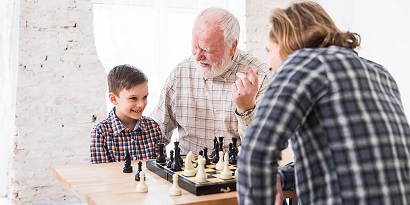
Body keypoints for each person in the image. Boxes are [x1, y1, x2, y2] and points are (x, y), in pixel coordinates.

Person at [237, 1, 410, 205]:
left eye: (269, 50)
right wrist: (281, 177)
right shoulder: (380, 73)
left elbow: (255, 156)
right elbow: (344, 163)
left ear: (286, 42)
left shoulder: (302, 64)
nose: (270, 67)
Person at [150, 7, 271, 154]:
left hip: (235, 172)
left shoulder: (261, 77)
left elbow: (261, 149)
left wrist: (246, 109)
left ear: (232, 47)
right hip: (187, 171)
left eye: (207, 50)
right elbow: (157, 132)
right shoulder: (181, 73)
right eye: (195, 47)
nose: (197, 57)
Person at [90, 64, 165, 164]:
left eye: (145, 97)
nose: (141, 104)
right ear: (113, 99)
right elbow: (102, 176)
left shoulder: (153, 127)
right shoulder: (101, 133)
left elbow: (161, 170)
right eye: (133, 98)